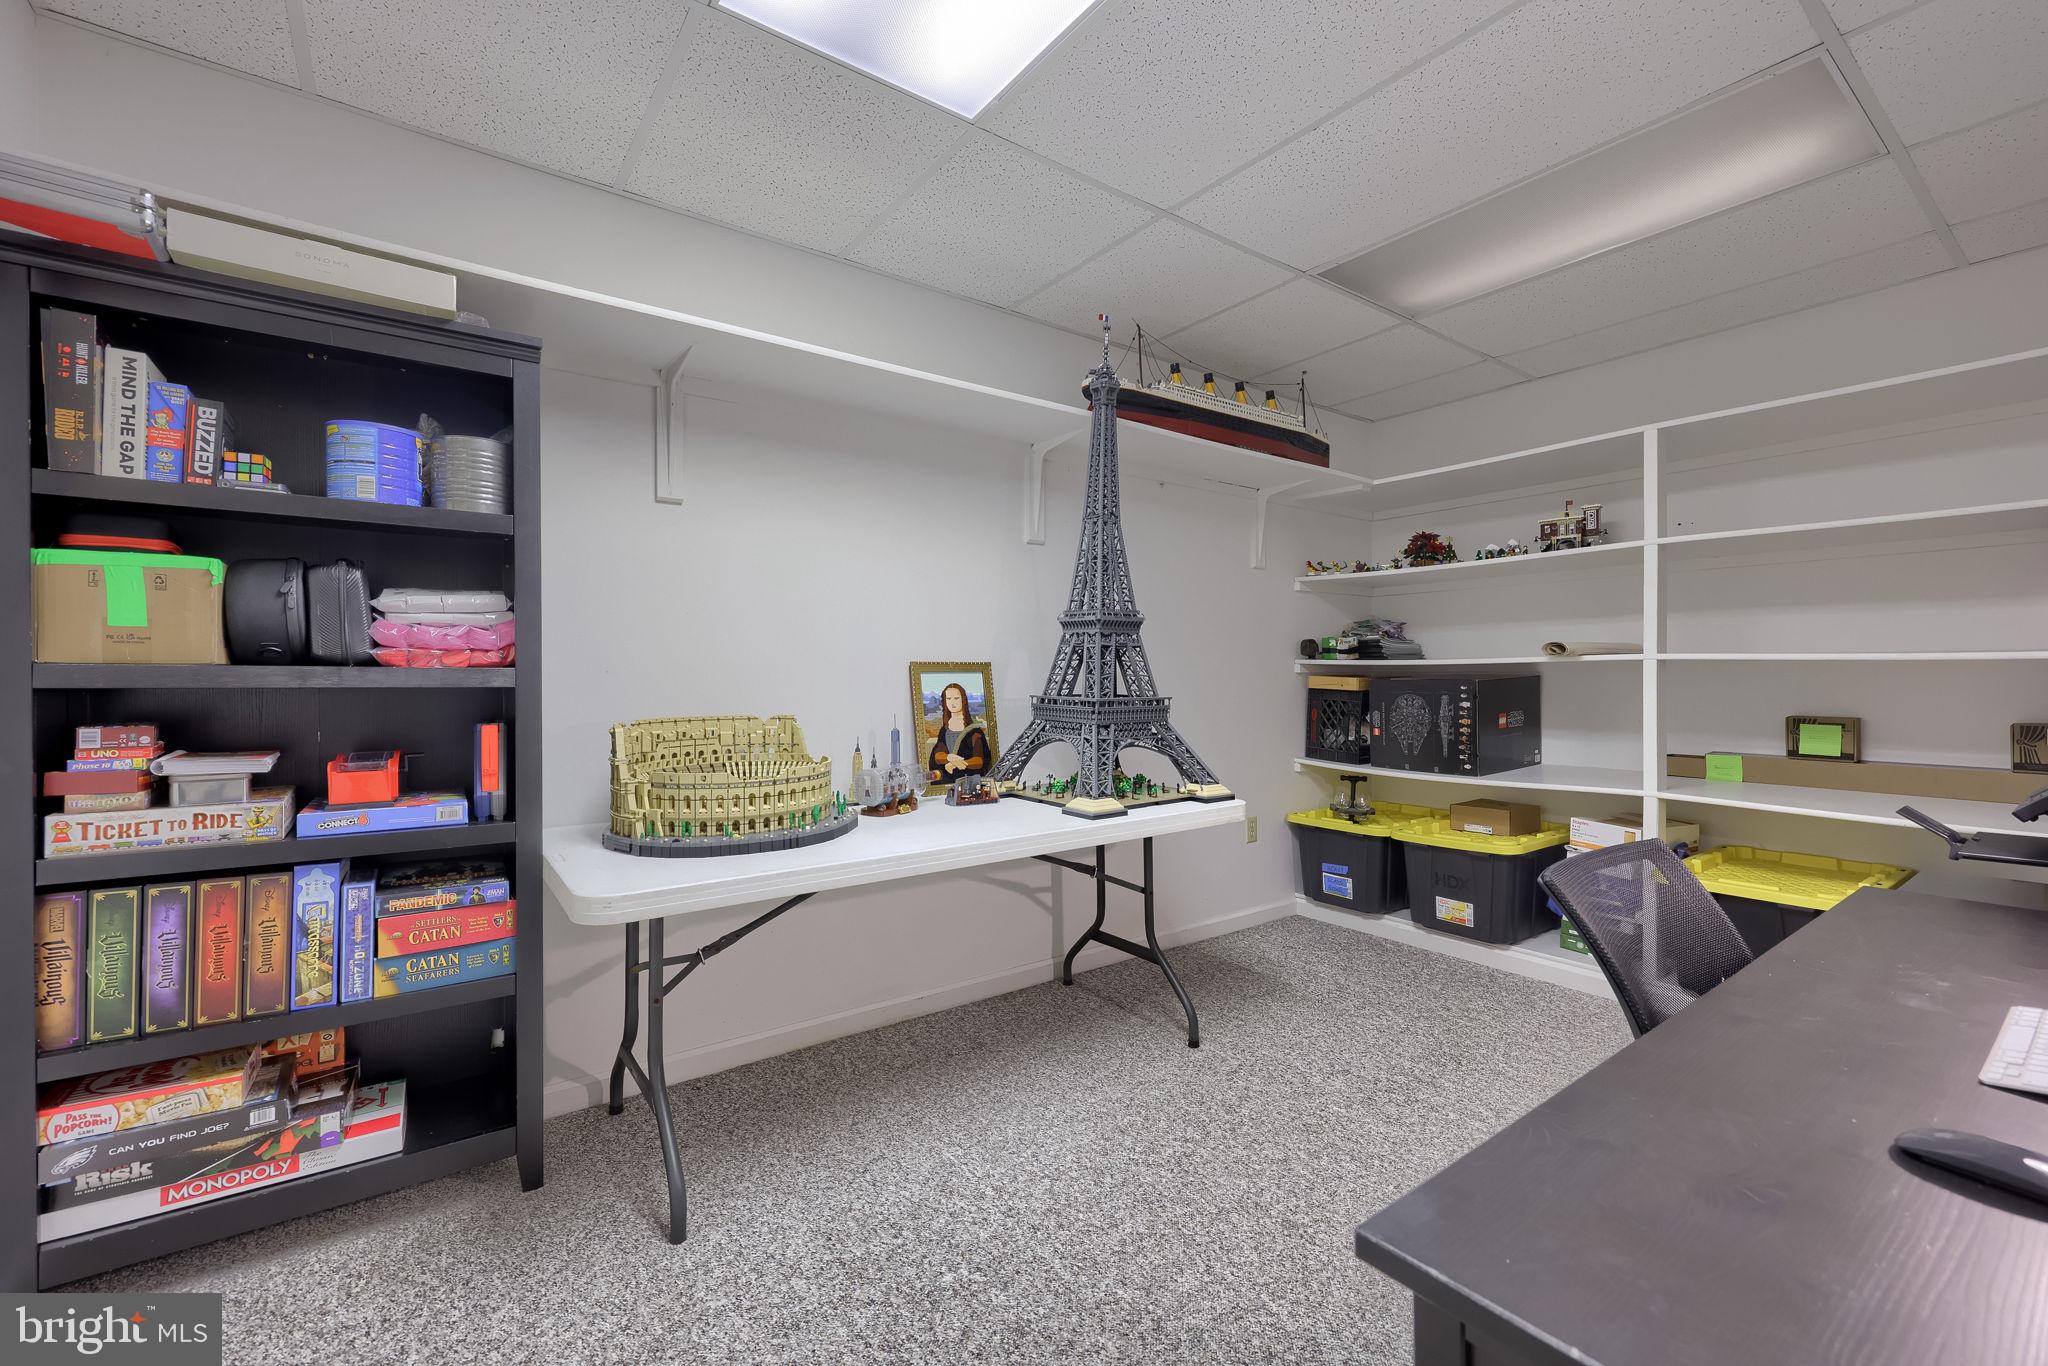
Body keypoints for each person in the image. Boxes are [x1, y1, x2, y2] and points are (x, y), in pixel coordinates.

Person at [925, 681, 991, 787]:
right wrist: (949, 758)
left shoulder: (974, 731)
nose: (952, 702)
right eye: (948, 699)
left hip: (969, 781)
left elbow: (979, 760)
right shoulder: (944, 729)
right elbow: (938, 754)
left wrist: (958, 763)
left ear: (963, 700)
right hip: (948, 781)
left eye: (956, 698)